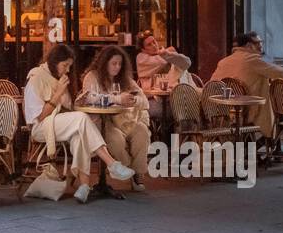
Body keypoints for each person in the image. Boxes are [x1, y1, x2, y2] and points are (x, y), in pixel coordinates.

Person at [24, 44, 135, 204]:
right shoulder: (36, 79)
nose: (67, 70)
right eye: (65, 65)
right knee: (82, 118)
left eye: (69, 66)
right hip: (41, 127)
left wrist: (77, 100)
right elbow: (39, 117)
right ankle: (111, 163)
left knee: (80, 135)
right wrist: (58, 94)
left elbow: (67, 109)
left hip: (59, 123)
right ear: (54, 62)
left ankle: (84, 186)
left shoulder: (57, 79)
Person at [75, 44, 149, 191]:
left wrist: (134, 100)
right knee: (115, 140)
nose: (117, 67)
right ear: (104, 63)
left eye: (120, 64)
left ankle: (138, 174)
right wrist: (115, 99)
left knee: (142, 132)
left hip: (125, 120)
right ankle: (128, 170)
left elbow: (144, 100)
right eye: (114, 63)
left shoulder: (125, 79)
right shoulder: (92, 77)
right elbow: (89, 97)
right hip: (105, 121)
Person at [212, 31, 283, 137]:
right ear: (249, 45)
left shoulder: (223, 62)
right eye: (258, 43)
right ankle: (265, 144)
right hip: (247, 111)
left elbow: (212, 85)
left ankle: (255, 146)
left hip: (222, 112)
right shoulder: (251, 60)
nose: (260, 46)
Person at [133, 30, 192, 127]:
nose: (154, 45)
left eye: (154, 42)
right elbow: (159, 61)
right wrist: (168, 53)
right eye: (149, 44)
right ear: (144, 50)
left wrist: (169, 54)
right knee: (181, 110)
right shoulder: (142, 58)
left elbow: (187, 63)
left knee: (185, 106)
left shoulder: (167, 55)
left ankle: (183, 136)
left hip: (174, 99)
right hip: (152, 100)